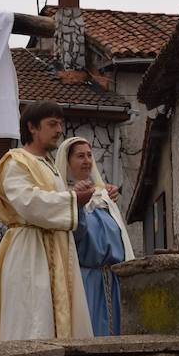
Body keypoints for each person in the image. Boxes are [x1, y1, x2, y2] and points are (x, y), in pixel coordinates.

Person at [0, 101, 96, 342]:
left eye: (60, 124)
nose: (59, 130)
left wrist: (73, 199)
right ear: (32, 127)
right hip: (29, 249)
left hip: (56, 248)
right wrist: (72, 199)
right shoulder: (16, 162)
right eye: (52, 124)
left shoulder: (50, 166)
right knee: (33, 313)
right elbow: (28, 202)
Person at [56, 137, 135, 336]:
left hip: (114, 280)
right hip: (86, 282)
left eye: (89, 155)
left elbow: (120, 236)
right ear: (67, 161)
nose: (87, 161)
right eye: (80, 156)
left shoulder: (104, 196)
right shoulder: (61, 198)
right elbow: (74, 235)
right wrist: (78, 203)